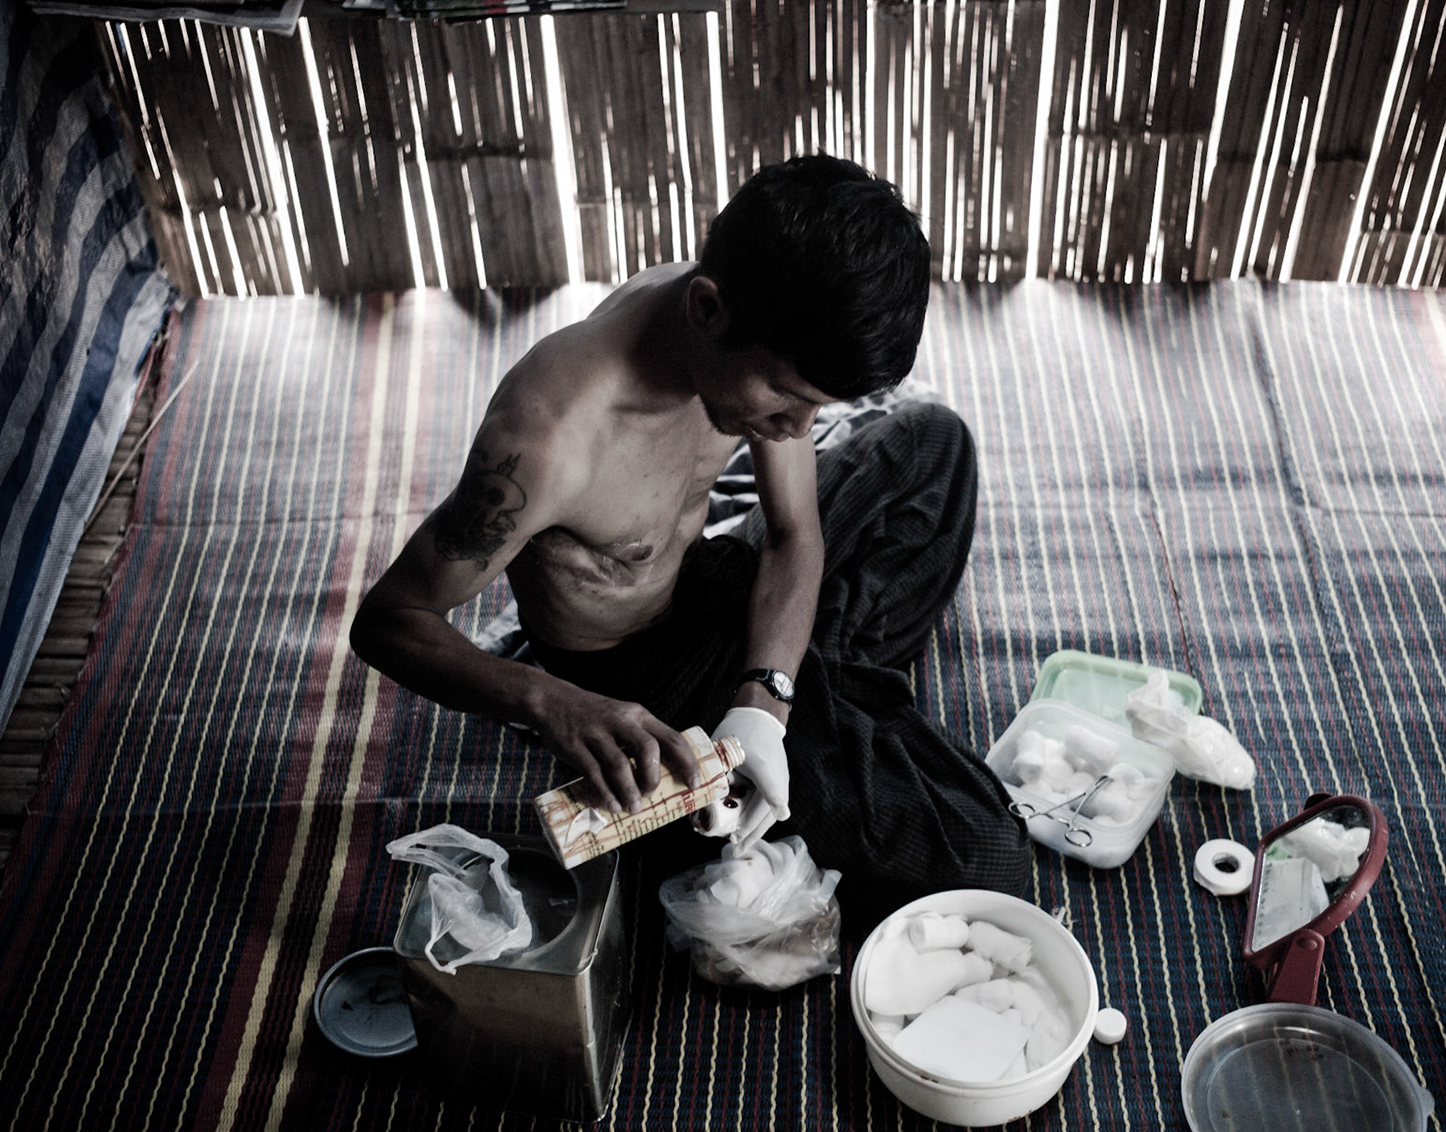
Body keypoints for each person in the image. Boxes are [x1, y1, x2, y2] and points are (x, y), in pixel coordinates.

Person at [351, 155, 1029, 923]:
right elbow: (387, 621)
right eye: (788, 401)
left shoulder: (744, 319)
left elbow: (794, 530)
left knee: (932, 444)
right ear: (707, 310)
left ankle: (812, 683)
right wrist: (552, 702)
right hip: (641, 673)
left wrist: (763, 703)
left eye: (817, 409)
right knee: (989, 854)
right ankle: (821, 692)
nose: (798, 431)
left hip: (712, 578)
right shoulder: (544, 442)